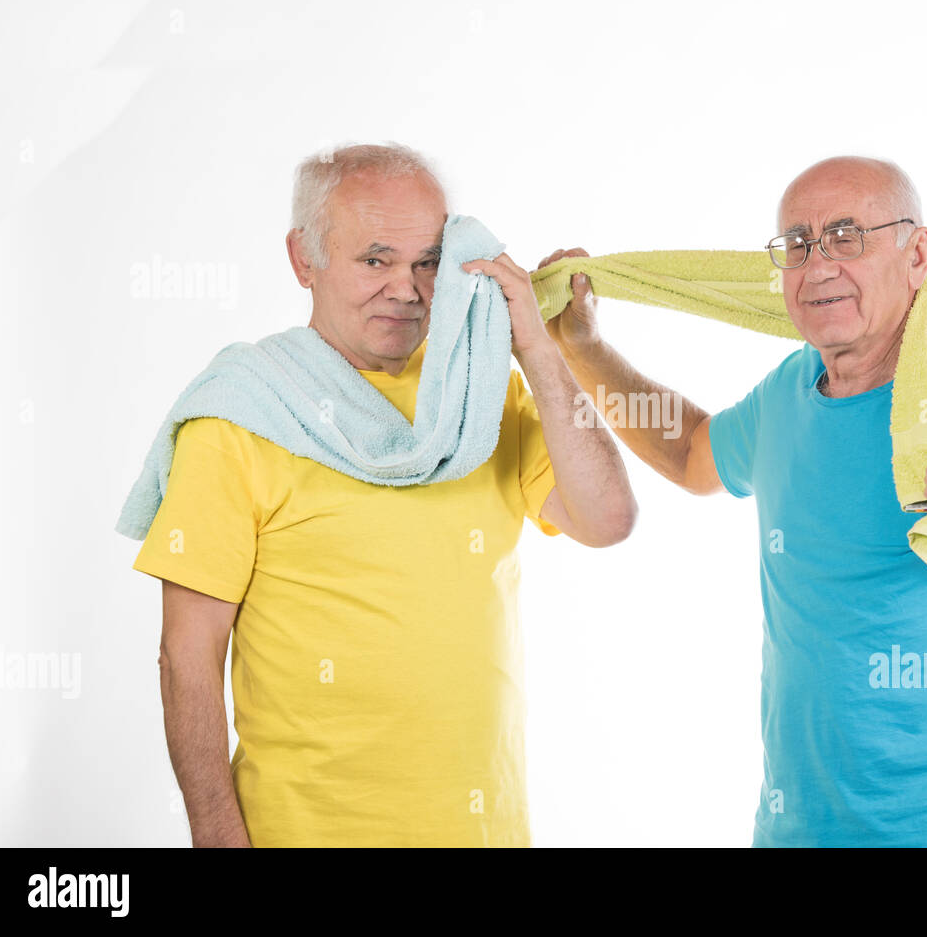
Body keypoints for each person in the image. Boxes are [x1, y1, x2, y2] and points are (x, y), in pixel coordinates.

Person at [540, 155, 927, 846]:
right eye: (798, 245)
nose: (818, 264)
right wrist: (583, 347)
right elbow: (692, 453)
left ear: (916, 253)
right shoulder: (786, 394)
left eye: (847, 235)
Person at [132, 142, 636, 846]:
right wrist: (216, 835)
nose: (407, 288)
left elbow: (609, 517)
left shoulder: (477, 396)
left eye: (428, 262)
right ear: (303, 258)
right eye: (376, 259)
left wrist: (540, 351)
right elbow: (186, 654)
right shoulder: (241, 415)